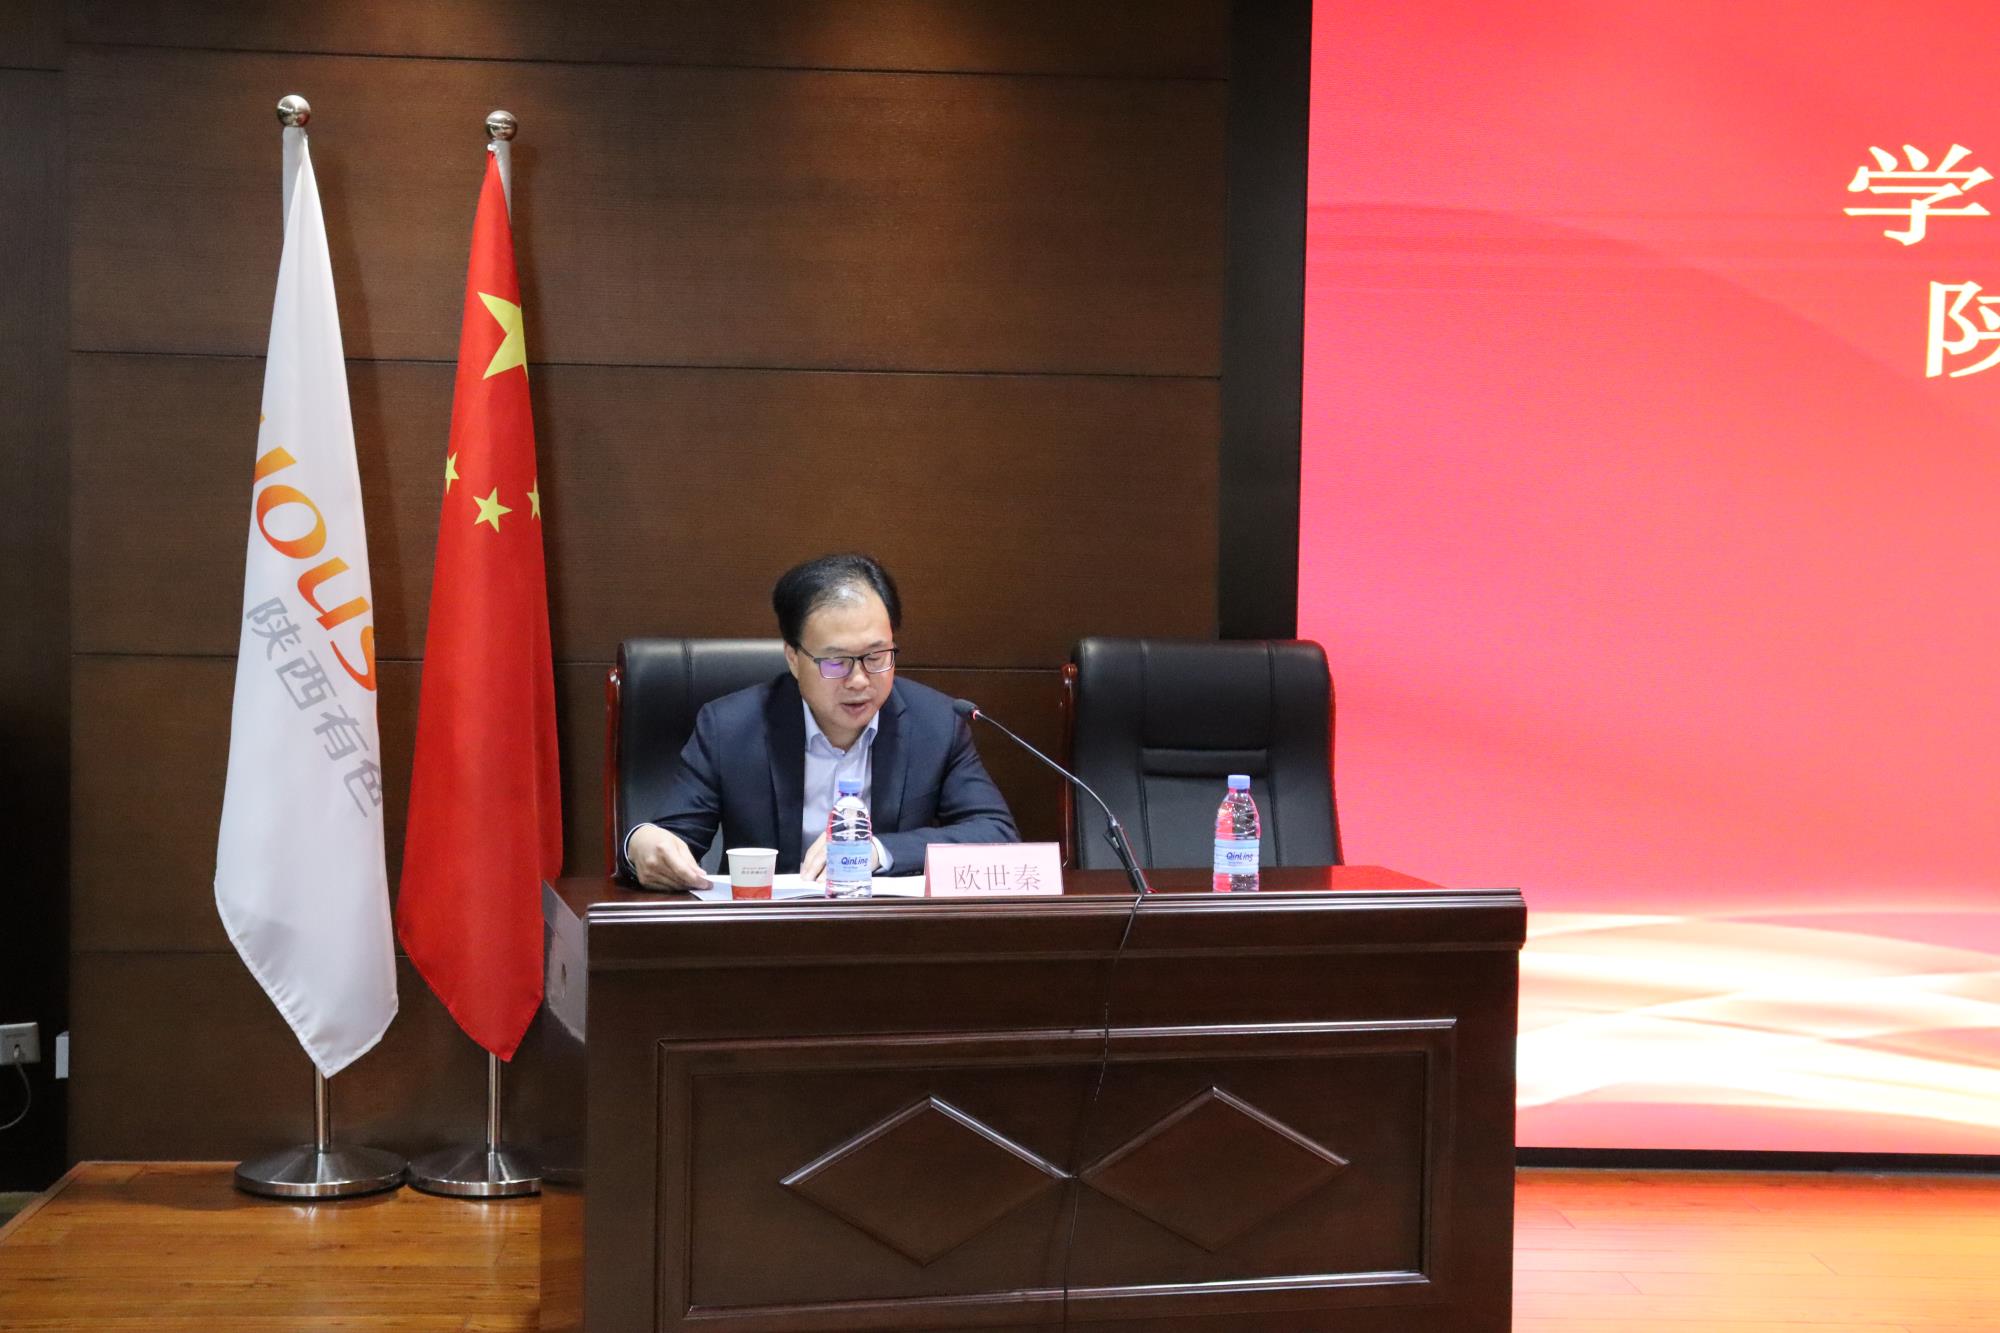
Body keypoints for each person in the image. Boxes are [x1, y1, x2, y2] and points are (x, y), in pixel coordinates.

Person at [623, 553, 1018, 889]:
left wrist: (876, 851)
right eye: (836, 661)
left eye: (876, 656)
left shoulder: (936, 723)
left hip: (889, 936)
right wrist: (641, 844)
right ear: (794, 658)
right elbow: (671, 841)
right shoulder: (729, 728)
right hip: (765, 937)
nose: (859, 680)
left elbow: (996, 834)